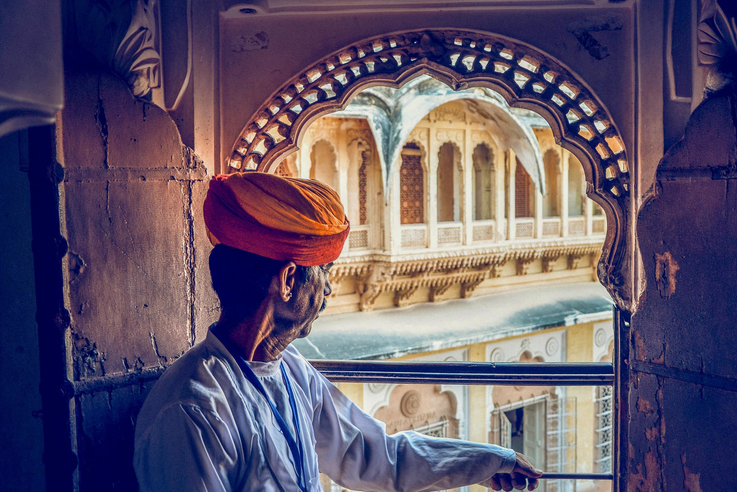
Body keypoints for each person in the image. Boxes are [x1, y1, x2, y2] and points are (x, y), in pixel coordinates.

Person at [134, 172, 543, 491]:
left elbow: (377, 456)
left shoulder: (290, 370)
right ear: (289, 279)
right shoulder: (193, 410)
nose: (329, 288)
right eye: (325, 272)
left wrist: (490, 460)